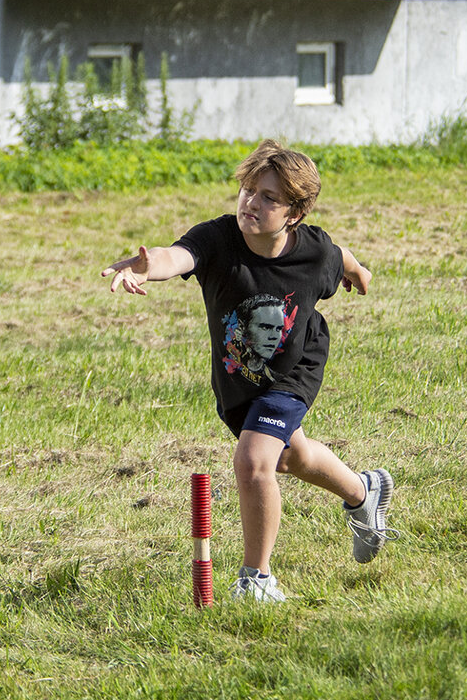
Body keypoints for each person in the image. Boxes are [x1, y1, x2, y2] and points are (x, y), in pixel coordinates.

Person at [101, 139, 395, 602]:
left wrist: (359, 273)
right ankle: (363, 492)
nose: (251, 203)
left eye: (269, 198)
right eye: (248, 190)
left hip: (294, 368)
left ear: (294, 213)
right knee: (288, 457)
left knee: (254, 459)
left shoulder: (313, 252)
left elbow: (340, 256)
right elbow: (176, 255)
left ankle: (257, 581)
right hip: (240, 378)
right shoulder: (218, 239)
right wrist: (147, 265)